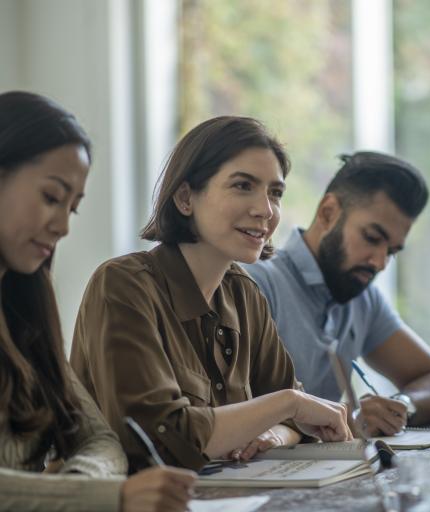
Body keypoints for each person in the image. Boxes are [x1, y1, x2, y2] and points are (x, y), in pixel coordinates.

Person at [70, 116, 352, 471]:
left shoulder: (244, 294)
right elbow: (156, 443)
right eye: (242, 185)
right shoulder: (122, 285)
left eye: (275, 193)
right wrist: (287, 405)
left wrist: (274, 433)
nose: (265, 209)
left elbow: (299, 419)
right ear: (186, 197)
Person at [0, 91, 195, 511]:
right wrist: (102, 497)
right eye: (52, 197)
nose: (62, 227)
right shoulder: (125, 284)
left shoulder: (25, 309)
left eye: (72, 208)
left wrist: (75, 489)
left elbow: (100, 441)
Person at [245, 151, 430, 436]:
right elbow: (229, 411)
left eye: (392, 251)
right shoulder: (254, 284)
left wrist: (401, 407)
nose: (380, 262)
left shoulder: (361, 296)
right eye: (372, 238)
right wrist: (346, 419)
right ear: (328, 213)